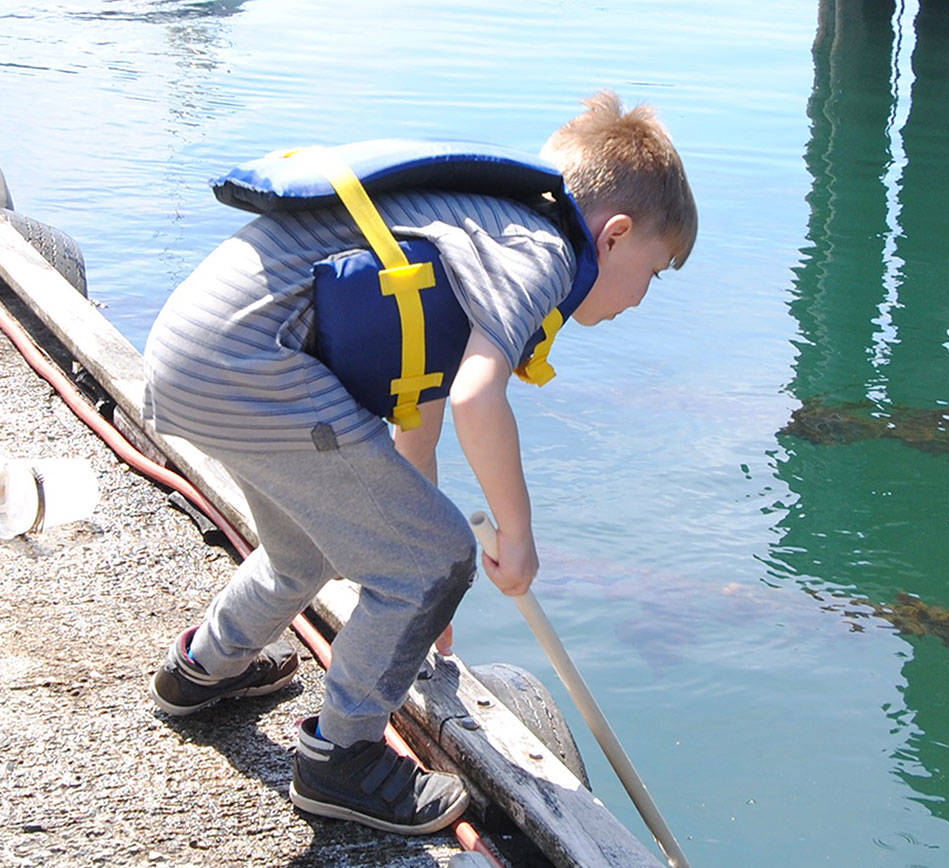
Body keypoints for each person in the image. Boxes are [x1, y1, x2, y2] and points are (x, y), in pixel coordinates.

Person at [143, 91, 696, 836]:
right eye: (655, 273)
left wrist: (421, 611)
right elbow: (475, 396)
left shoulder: (475, 233)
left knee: (307, 545)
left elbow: (417, 434)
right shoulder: (543, 252)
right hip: (253, 368)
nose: (644, 296)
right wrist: (514, 533)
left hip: (194, 357)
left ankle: (202, 668)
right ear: (615, 235)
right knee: (439, 554)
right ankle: (341, 760)